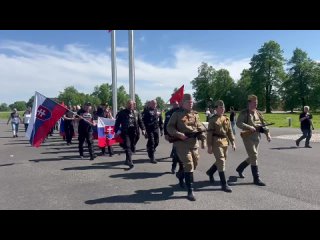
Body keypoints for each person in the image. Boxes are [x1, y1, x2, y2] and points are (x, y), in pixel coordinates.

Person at [167, 94, 206, 201]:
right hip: (181, 144)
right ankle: (190, 191)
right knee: (189, 164)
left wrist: (203, 139)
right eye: (188, 102)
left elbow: (200, 127)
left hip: (193, 143)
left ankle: (180, 174)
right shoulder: (177, 114)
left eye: (192, 102)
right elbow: (169, 127)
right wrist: (179, 134)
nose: (191, 103)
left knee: (195, 163)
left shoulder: (195, 114)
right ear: (183, 103)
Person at [235, 95, 271, 186]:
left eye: (256, 103)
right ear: (249, 102)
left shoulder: (258, 113)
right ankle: (256, 179)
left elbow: (264, 125)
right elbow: (239, 123)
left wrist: (268, 135)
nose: (255, 104)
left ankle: (240, 168)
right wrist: (249, 127)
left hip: (257, 137)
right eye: (254, 103)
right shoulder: (244, 113)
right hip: (248, 137)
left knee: (252, 156)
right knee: (254, 155)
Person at [206, 100, 236, 192]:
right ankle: (224, 184)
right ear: (216, 109)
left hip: (225, 141)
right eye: (220, 107)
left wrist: (233, 142)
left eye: (223, 107)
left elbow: (230, 132)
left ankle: (210, 172)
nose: (222, 109)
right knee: (221, 160)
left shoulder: (226, 118)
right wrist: (209, 146)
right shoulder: (212, 119)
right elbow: (209, 134)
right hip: (216, 141)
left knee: (222, 159)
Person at [115, 100, 146, 169]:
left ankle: (127, 159)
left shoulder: (136, 112)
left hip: (134, 132)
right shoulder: (122, 113)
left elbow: (140, 122)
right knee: (128, 146)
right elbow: (117, 123)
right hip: (126, 132)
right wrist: (116, 132)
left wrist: (143, 129)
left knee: (131, 147)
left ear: (133, 105)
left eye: (131, 104)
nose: (130, 106)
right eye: (129, 104)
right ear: (126, 105)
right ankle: (130, 162)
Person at [164, 100, 183, 176]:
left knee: (183, 154)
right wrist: (166, 133)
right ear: (172, 104)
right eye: (174, 104)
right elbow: (166, 124)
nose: (176, 105)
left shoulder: (182, 111)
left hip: (183, 135)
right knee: (176, 153)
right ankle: (174, 167)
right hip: (175, 135)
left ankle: (181, 169)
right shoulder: (169, 113)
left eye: (177, 103)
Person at [142, 99, 163, 164]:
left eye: (155, 103)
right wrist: (144, 129)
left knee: (156, 142)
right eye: (152, 103)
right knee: (152, 142)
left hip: (156, 129)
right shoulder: (146, 111)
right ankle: (152, 157)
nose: (154, 105)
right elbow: (143, 121)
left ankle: (149, 148)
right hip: (149, 128)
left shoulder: (158, 112)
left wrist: (161, 129)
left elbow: (160, 121)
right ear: (150, 104)